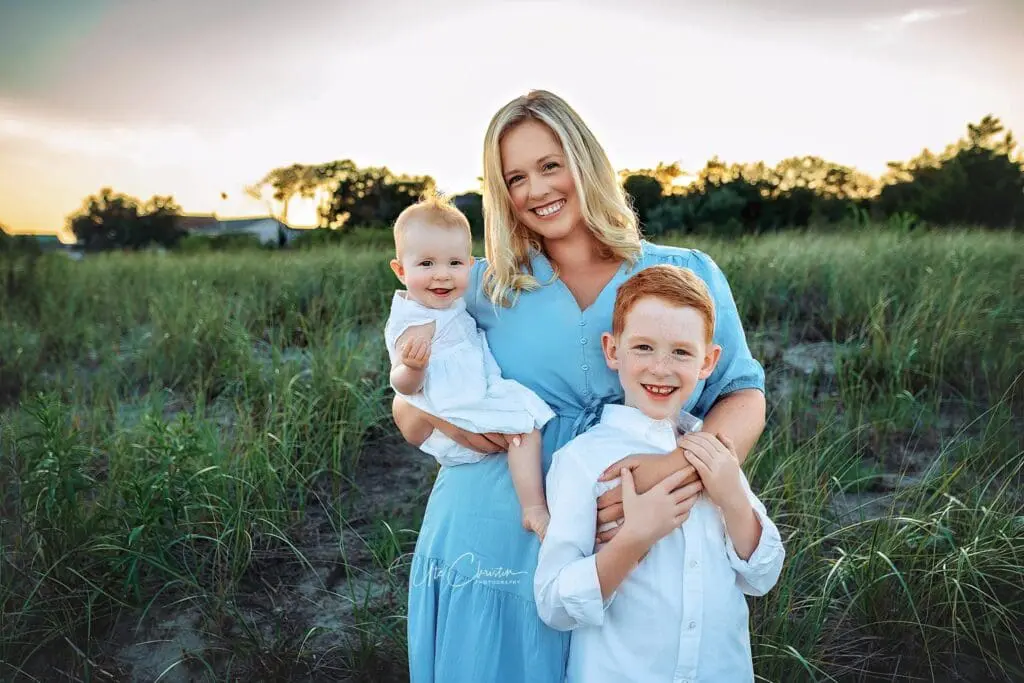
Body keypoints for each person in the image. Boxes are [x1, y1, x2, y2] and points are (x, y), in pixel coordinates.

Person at [391, 89, 767, 683]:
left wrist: (671, 477)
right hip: (497, 527)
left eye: (550, 165)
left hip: (635, 534)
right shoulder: (482, 285)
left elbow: (742, 395)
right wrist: (454, 417)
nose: (536, 190)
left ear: (585, 159)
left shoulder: (684, 272)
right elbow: (409, 410)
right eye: (515, 178)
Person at [534, 264, 785, 683]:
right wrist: (635, 539)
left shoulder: (711, 449)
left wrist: (731, 496)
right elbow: (554, 603)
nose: (661, 368)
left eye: (682, 352)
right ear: (612, 350)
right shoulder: (584, 460)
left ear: (708, 361)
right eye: (644, 348)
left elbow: (762, 575)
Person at [384, 194, 555, 539]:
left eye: (454, 263)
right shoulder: (414, 322)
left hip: (474, 390)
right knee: (523, 427)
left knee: (526, 424)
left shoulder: (450, 304)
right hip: (455, 404)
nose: (442, 276)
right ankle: (533, 508)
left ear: (471, 264)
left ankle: (531, 503)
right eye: (427, 264)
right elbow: (401, 385)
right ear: (401, 270)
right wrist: (413, 369)